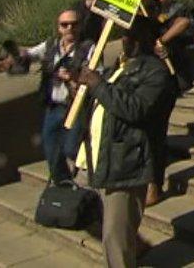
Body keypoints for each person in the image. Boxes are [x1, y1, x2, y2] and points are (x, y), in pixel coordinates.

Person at [65, 15, 176, 267]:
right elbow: (103, 105)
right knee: (114, 235)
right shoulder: (120, 66)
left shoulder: (155, 72)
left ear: (147, 39)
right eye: (124, 34)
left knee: (116, 238)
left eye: (133, 35)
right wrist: (82, 91)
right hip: (104, 159)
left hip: (126, 164)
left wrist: (98, 84)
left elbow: (135, 109)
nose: (127, 40)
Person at [0, 9, 93, 184]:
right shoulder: (51, 45)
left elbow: (97, 74)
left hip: (76, 106)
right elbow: (31, 54)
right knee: (51, 148)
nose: (69, 28)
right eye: (65, 25)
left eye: (74, 24)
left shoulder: (88, 48)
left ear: (80, 26)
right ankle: (62, 183)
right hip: (54, 106)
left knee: (71, 148)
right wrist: (16, 57)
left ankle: (87, 173)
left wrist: (74, 77)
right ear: (59, 28)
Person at [142, 0, 194, 206]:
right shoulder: (146, 15)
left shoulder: (177, 11)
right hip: (147, 80)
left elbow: (185, 23)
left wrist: (163, 40)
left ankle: (154, 185)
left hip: (168, 80)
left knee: (155, 131)